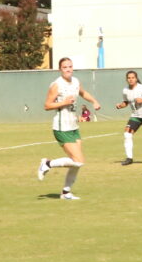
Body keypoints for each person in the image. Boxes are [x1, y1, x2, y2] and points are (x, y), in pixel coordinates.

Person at [36, 57, 101, 200]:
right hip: (61, 126)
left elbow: (83, 92)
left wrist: (94, 101)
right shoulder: (56, 85)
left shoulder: (76, 81)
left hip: (73, 126)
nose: (68, 69)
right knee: (78, 160)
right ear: (60, 69)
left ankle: (66, 192)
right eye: (65, 67)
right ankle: (47, 163)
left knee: (76, 164)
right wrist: (64, 102)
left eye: (70, 66)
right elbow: (47, 105)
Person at [115, 70, 142, 165]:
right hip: (135, 115)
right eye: (129, 78)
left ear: (136, 78)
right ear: (127, 79)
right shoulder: (125, 90)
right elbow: (126, 102)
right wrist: (120, 105)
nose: (131, 79)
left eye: (133, 78)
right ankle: (129, 158)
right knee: (127, 134)